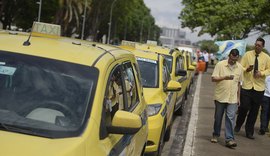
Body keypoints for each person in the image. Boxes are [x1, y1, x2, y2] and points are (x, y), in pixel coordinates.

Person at [234, 37, 270, 139]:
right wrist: (247, 69)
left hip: (259, 88)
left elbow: (269, 70)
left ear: (263, 46)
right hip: (247, 86)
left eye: (259, 45)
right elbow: (240, 67)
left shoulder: (267, 58)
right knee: (244, 107)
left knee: (254, 111)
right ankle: (238, 124)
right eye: (256, 44)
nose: (256, 46)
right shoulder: (247, 54)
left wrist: (261, 73)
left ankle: (249, 132)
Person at [210, 49, 243, 148]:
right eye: (232, 59)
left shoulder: (240, 68)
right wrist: (224, 77)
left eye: (235, 59)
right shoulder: (220, 64)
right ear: (229, 56)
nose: (233, 61)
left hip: (232, 98)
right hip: (220, 96)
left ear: (238, 58)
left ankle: (229, 139)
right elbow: (213, 78)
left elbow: (239, 84)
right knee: (218, 117)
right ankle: (216, 134)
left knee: (230, 118)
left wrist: (238, 98)